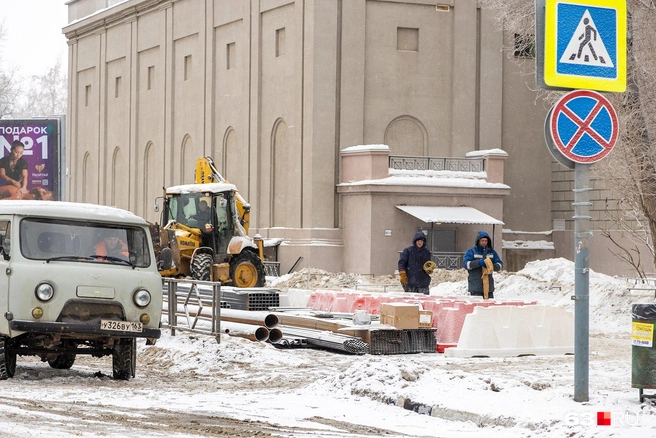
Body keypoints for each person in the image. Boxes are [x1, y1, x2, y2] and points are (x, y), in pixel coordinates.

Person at [463, 231, 503, 299]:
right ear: (478, 241)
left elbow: (500, 265)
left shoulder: (492, 252)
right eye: (482, 240)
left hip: (488, 287)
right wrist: (479, 263)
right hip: (476, 286)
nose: (484, 242)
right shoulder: (471, 252)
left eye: (486, 241)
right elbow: (466, 264)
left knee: (489, 307)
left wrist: (491, 266)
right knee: (477, 307)